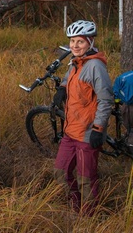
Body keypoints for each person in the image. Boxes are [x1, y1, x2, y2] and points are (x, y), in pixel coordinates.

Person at [52, 20, 113, 215]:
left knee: (86, 179)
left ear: (90, 42)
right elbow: (69, 75)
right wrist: (62, 89)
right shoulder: (77, 62)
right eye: (72, 41)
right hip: (70, 131)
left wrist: (98, 129)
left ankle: (88, 217)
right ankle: (74, 207)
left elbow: (106, 100)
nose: (74, 46)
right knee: (60, 173)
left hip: (87, 133)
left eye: (80, 42)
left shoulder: (95, 66)